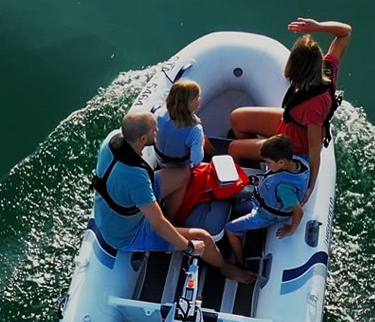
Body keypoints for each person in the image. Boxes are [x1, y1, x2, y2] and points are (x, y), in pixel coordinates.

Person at [91, 112, 255, 284]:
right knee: (203, 238)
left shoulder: (112, 140)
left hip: (121, 197)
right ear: (141, 138)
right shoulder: (136, 178)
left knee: (184, 174)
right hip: (128, 233)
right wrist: (189, 247)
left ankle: (173, 221)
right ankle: (226, 268)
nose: (158, 131)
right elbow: (157, 223)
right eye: (154, 130)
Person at [229, 17, 351, 201]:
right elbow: (345, 32)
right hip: (289, 124)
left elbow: (313, 148)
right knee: (237, 118)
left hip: (294, 146)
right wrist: (317, 27)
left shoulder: (313, 106)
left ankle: (250, 186)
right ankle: (257, 162)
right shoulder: (327, 68)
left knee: (234, 149)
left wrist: (310, 187)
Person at [224, 135, 309, 267]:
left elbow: (298, 211)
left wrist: (291, 229)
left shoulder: (284, 188)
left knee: (229, 229)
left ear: (281, 162)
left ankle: (241, 263)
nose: (266, 165)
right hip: (259, 203)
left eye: (268, 162)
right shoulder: (298, 162)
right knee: (237, 210)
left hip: (265, 215)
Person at [152, 80, 207, 222]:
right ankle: (171, 219)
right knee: (186, 175)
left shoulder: (159, 113)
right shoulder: (194, 129)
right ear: (188, 102)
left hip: (160, 161)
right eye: (197, 97)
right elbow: (196, 160)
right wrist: (202, 143)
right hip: (179, 168)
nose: (199, 99)